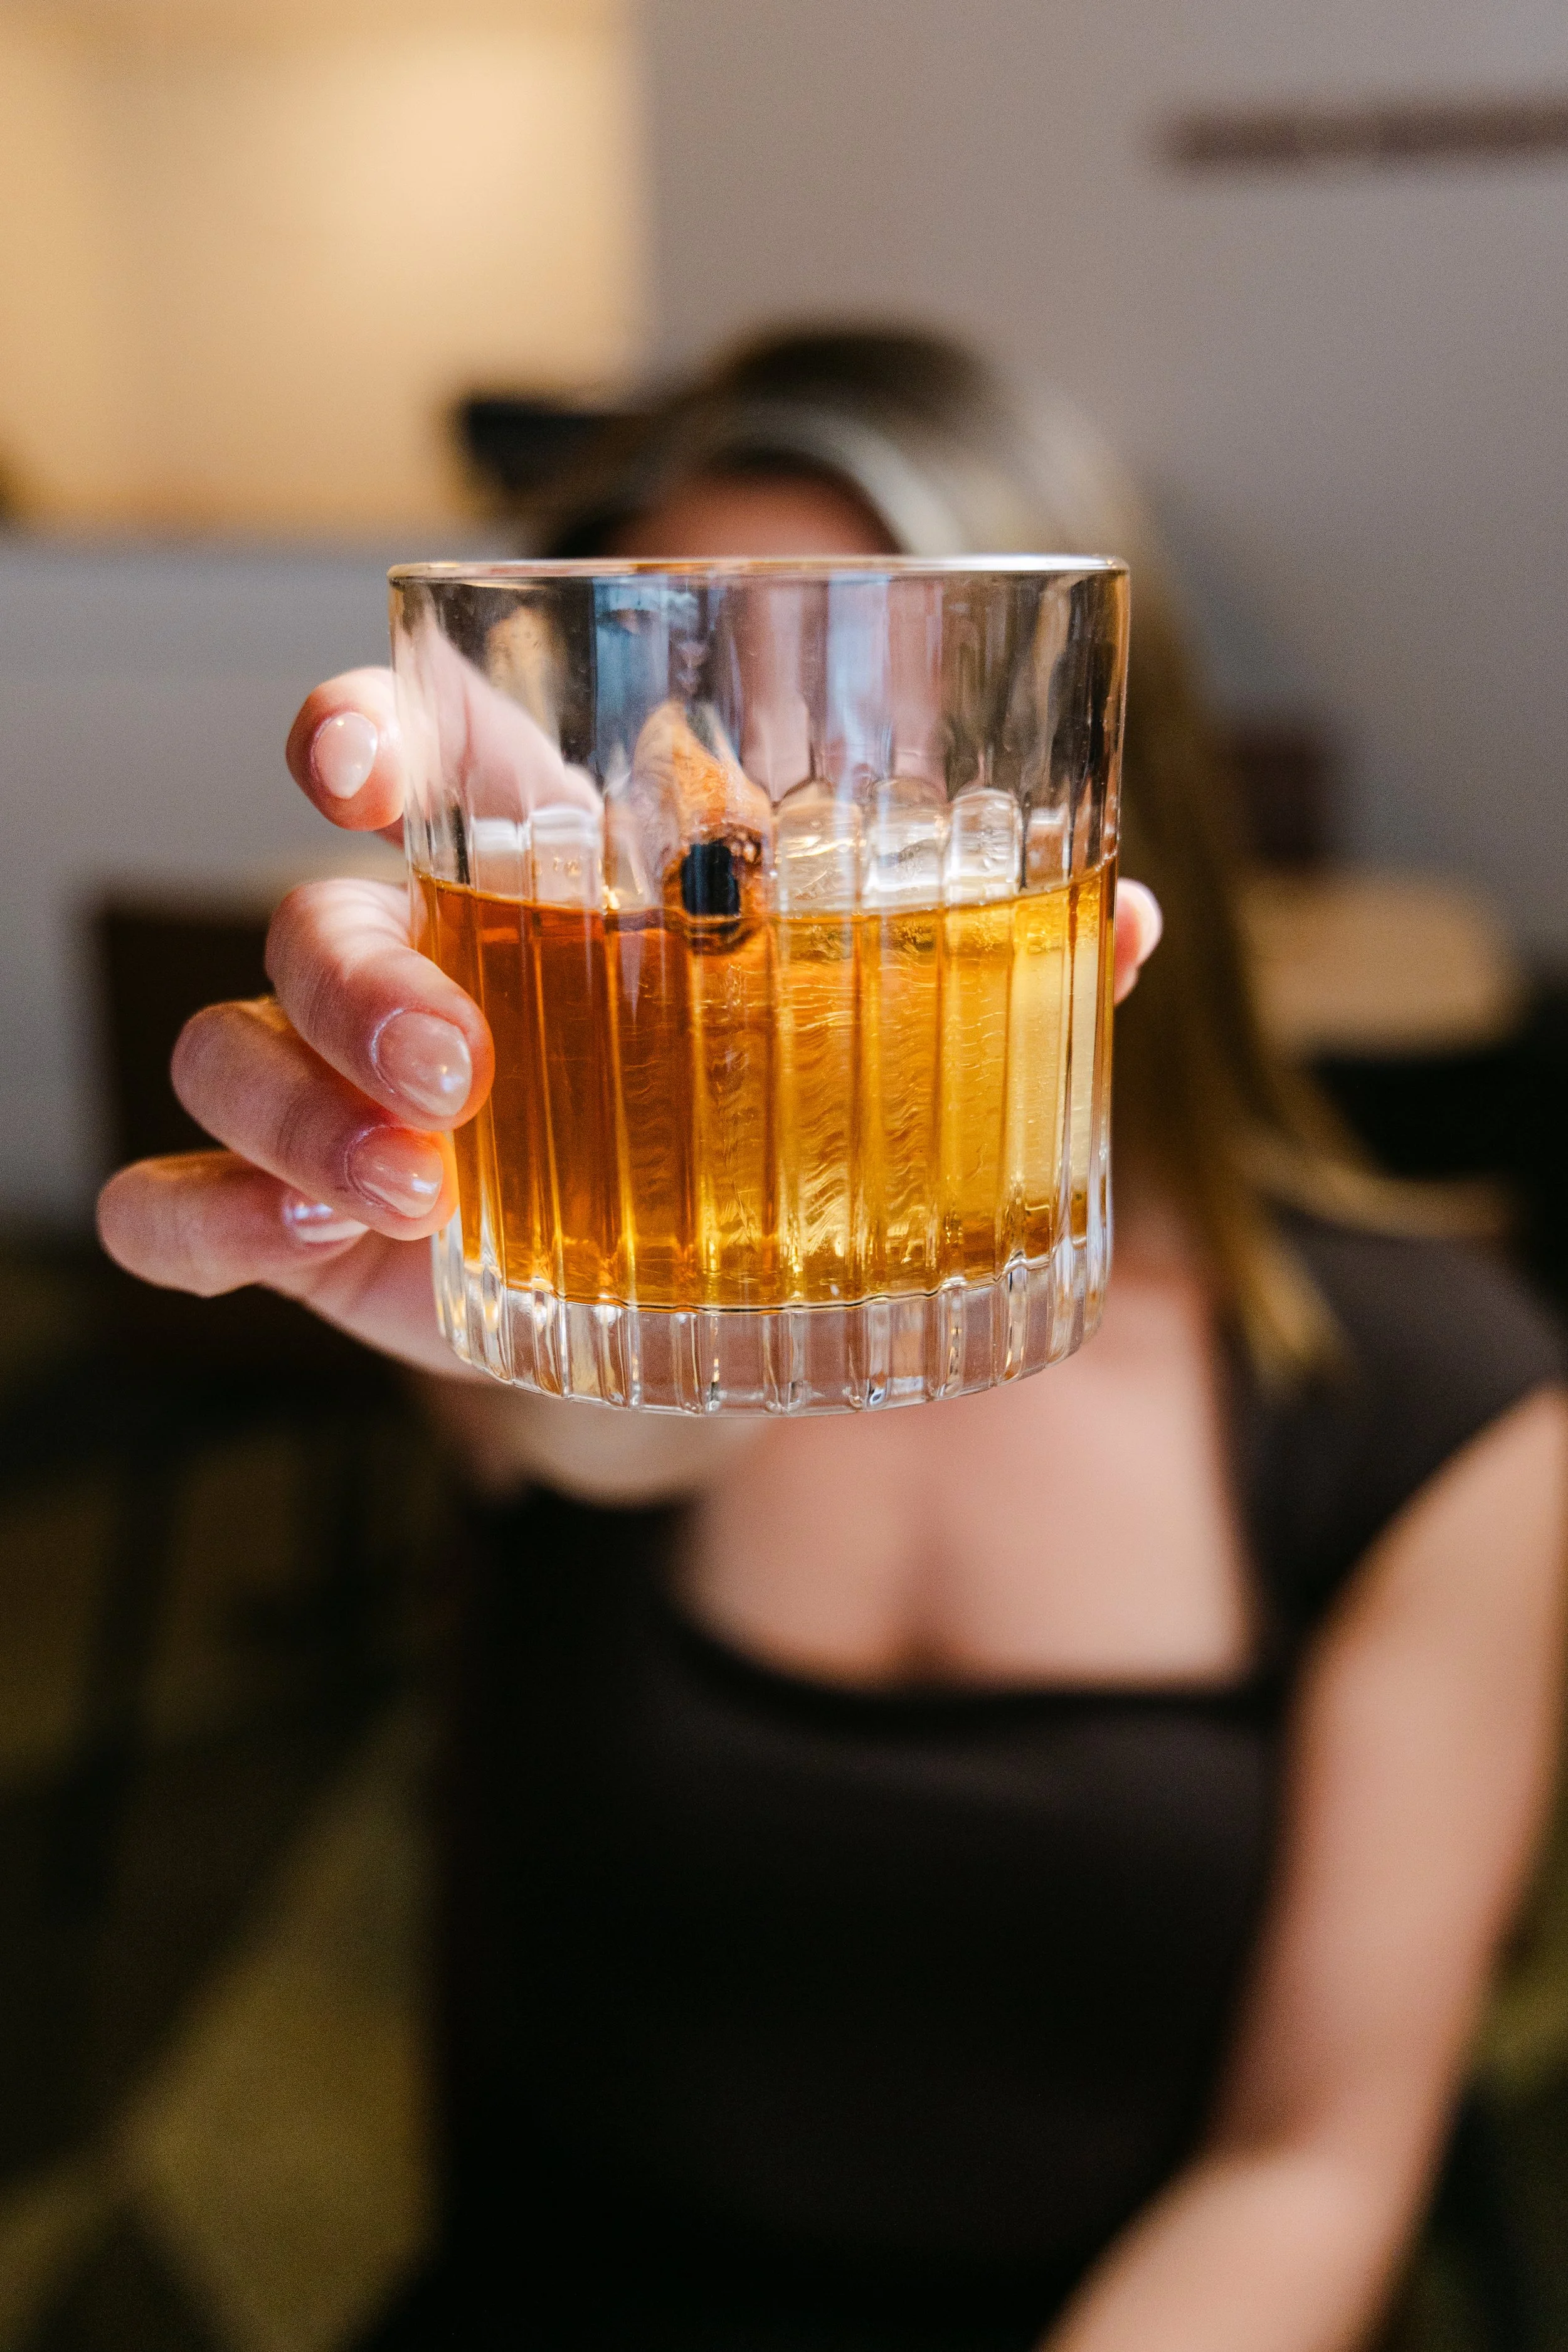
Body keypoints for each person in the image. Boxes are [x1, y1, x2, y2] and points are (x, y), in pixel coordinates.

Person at [98, 329, 1566, 2352]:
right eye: (675, 763)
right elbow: (608, 1452)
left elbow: (1309, 2164)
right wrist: (528, 1290)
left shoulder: (1442, 1396)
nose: (752, 868)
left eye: (849, 748)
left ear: (1093, 795)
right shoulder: (618, 1287)